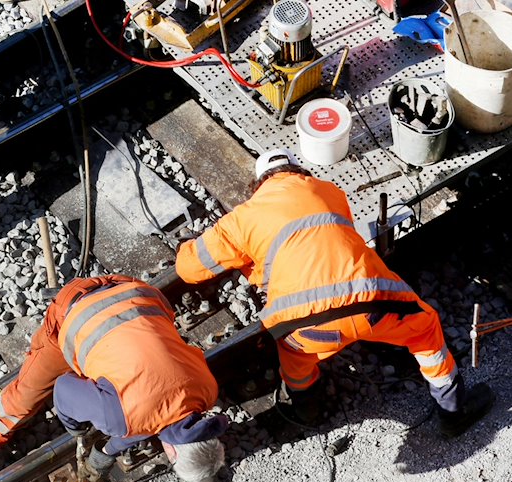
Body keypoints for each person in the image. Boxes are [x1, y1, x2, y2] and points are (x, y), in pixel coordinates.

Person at [175, 148, 494, 437]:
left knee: (296, 359)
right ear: (300, 172)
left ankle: (308, 408)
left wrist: (197, 247)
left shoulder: (242, 218)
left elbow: (189, 270)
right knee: (426, 331)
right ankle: (454, 411)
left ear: (258, 186)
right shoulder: (330, 191)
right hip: (373, 305)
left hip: (304, 326)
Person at [0, 275, 228, 482]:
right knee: (28, 392)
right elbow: (62, 389)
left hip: (136, 293)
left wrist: (109, 450)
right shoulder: (120, 419)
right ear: (173, 451)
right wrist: (75, 426)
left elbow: (150, 416)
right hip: (74, 310)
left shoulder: (208, 389)